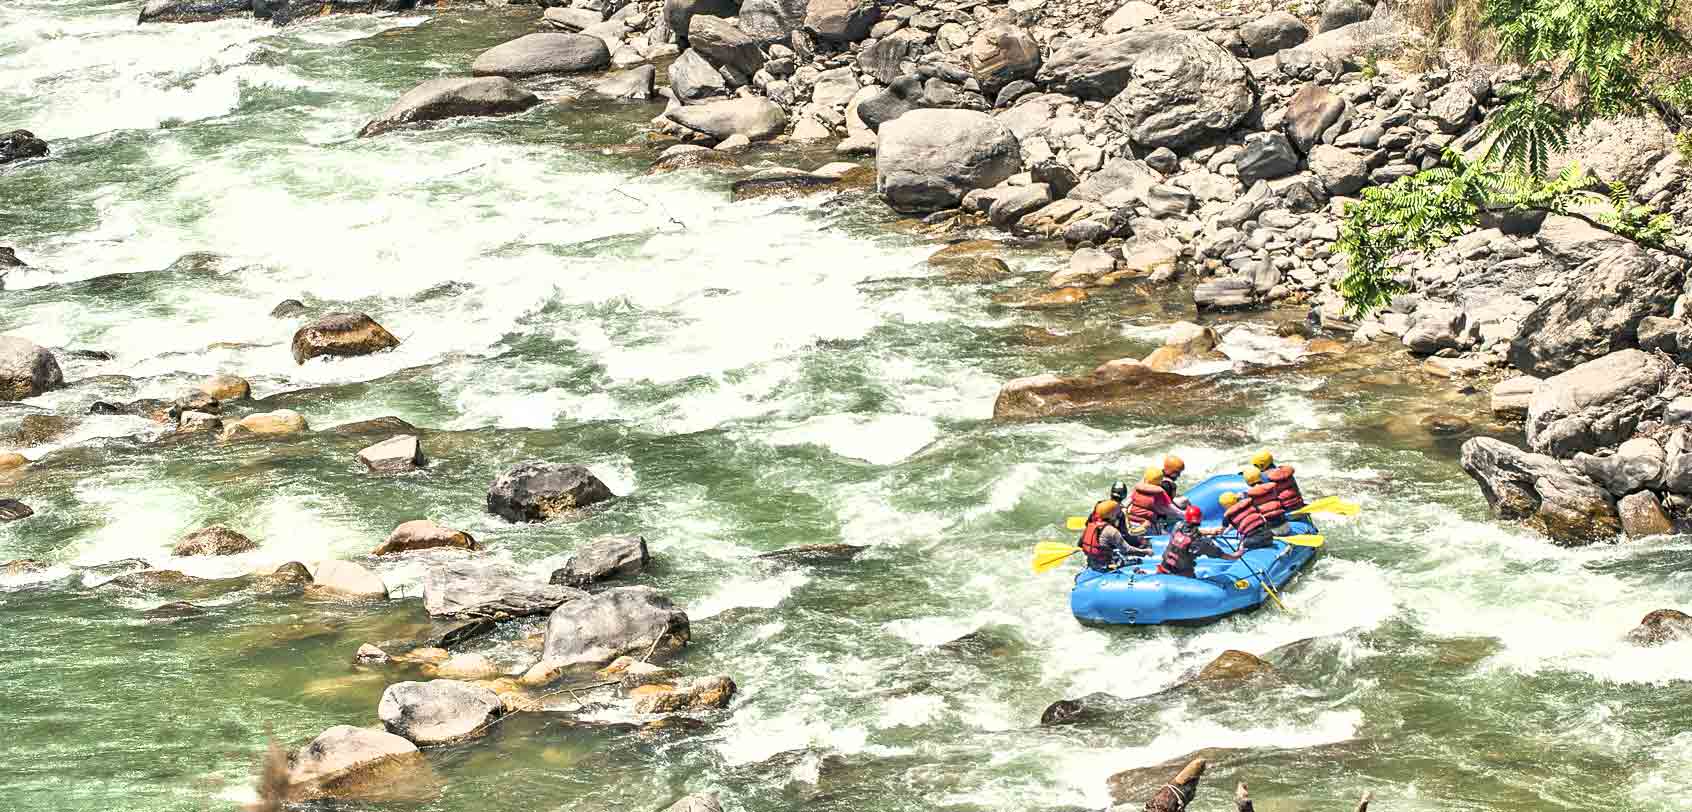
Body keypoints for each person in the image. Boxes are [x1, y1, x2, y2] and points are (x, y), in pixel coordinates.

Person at [1156, 504, 1246, 578]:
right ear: (1200, 519)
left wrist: (1210, 531)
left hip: (1163, 568)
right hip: (1181, 577)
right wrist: (1240, 553)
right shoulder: (1201, 543)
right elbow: (1226, 556)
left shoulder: (1177, 526)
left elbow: (1189, 532)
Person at [1078, 500, 1150, 571]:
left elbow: (1080, 544)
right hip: (1106, 565)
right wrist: (1145, 552)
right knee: (1138, 561)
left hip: (1091, 563)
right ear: (1112, 515)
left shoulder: (1090, 526)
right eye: (1117, 513)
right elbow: (1127, 550)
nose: (1119, 514)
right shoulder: (1111, 531)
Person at [1126, 466, 1185, 536]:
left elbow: (1127, 503)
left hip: (1131, 520)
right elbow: (1172, 510)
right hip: (1147, 525)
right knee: (1167, 535)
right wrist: (1185, 515)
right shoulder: (1159, 492)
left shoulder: (1138, 489)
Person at [1241, 465, 1293, 535]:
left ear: (1247, 482)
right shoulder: (1272, 486)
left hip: (1272, 530)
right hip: (1286, 525)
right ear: (1260, 477)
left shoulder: (1248, 495)